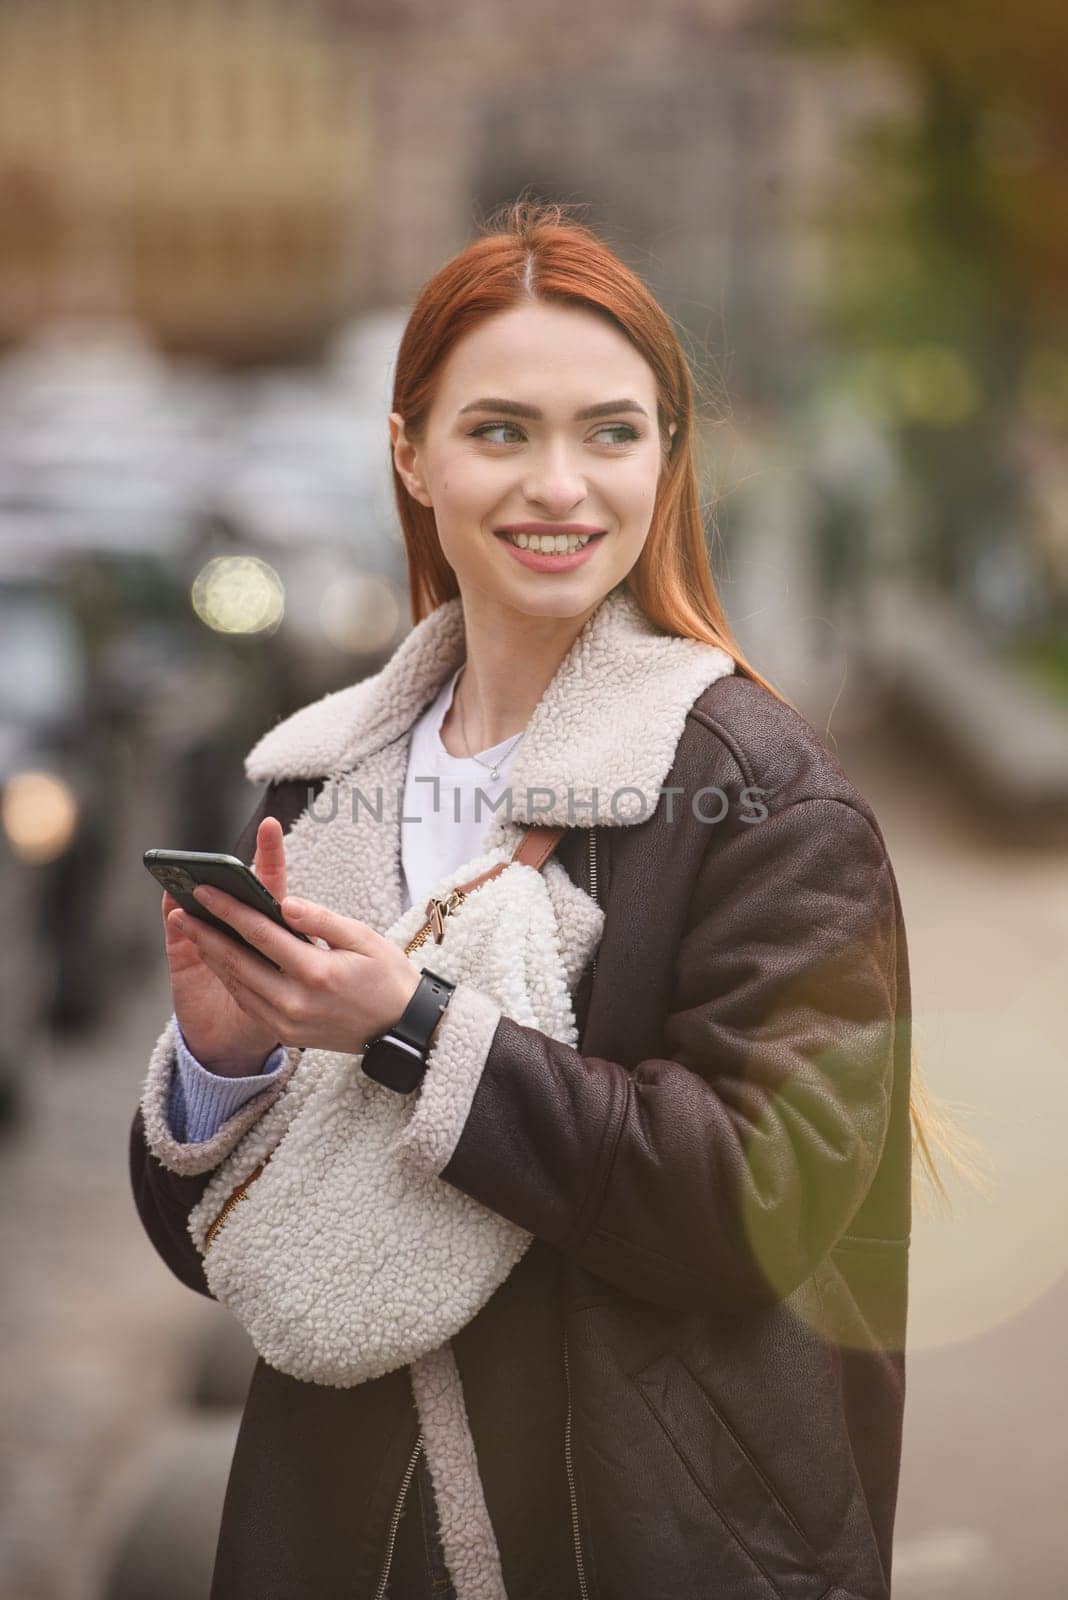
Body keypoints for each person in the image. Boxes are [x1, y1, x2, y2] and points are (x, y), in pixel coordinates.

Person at [129, 198, 947, 1600]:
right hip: (333, 1542)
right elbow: (232, 1257)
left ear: (670, 457)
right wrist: (224, 1059)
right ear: (413, 453)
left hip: (633, 1541)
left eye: (610, 432)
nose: (559, 486)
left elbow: (760, 1205)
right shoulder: (320, 782)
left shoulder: (765, 799)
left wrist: (410, 1029)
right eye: (500, 429)